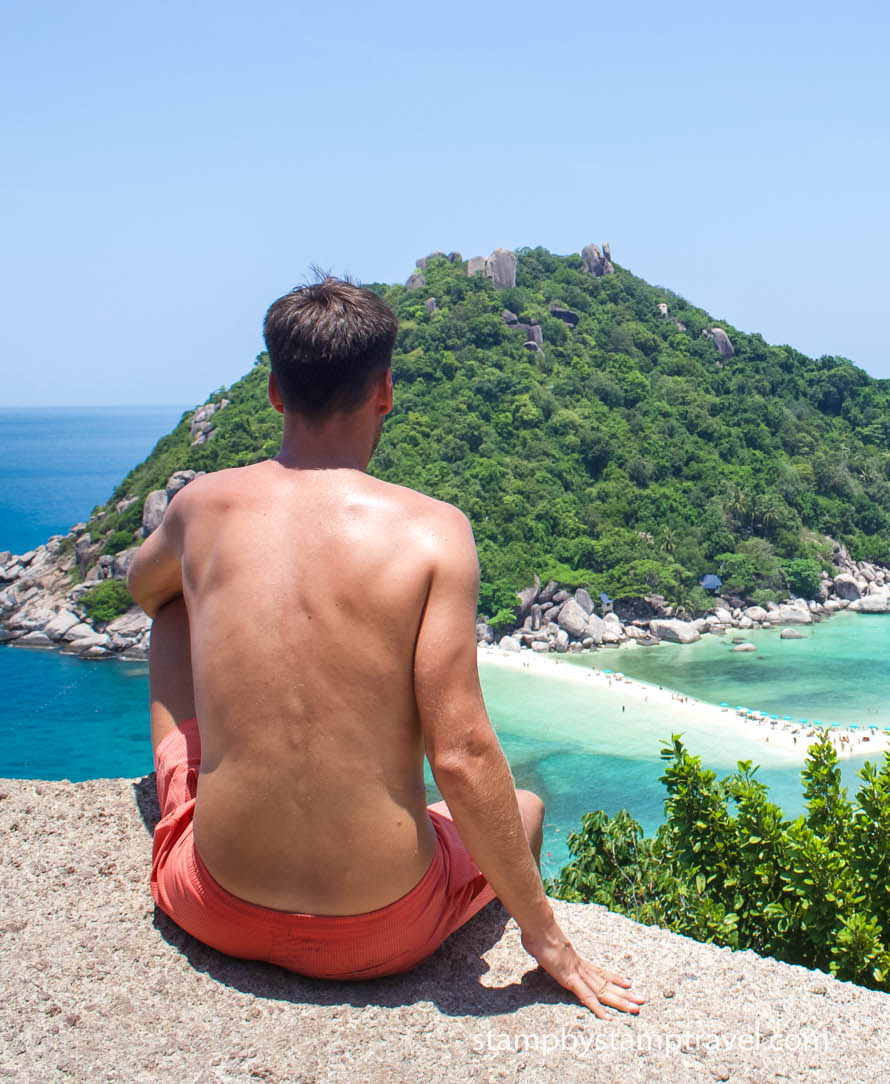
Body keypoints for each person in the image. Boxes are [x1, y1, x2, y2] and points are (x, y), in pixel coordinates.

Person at [128, 276, 643, 1018]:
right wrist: (548, 940)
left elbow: (145, 593)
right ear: (386, 392)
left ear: (273, 391)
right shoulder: (433, 532)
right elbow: (461, 755)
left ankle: (190, 777)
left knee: (173, 601)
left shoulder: (199, 505)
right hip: (380, 934)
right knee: (524, 808)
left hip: (212, 902)